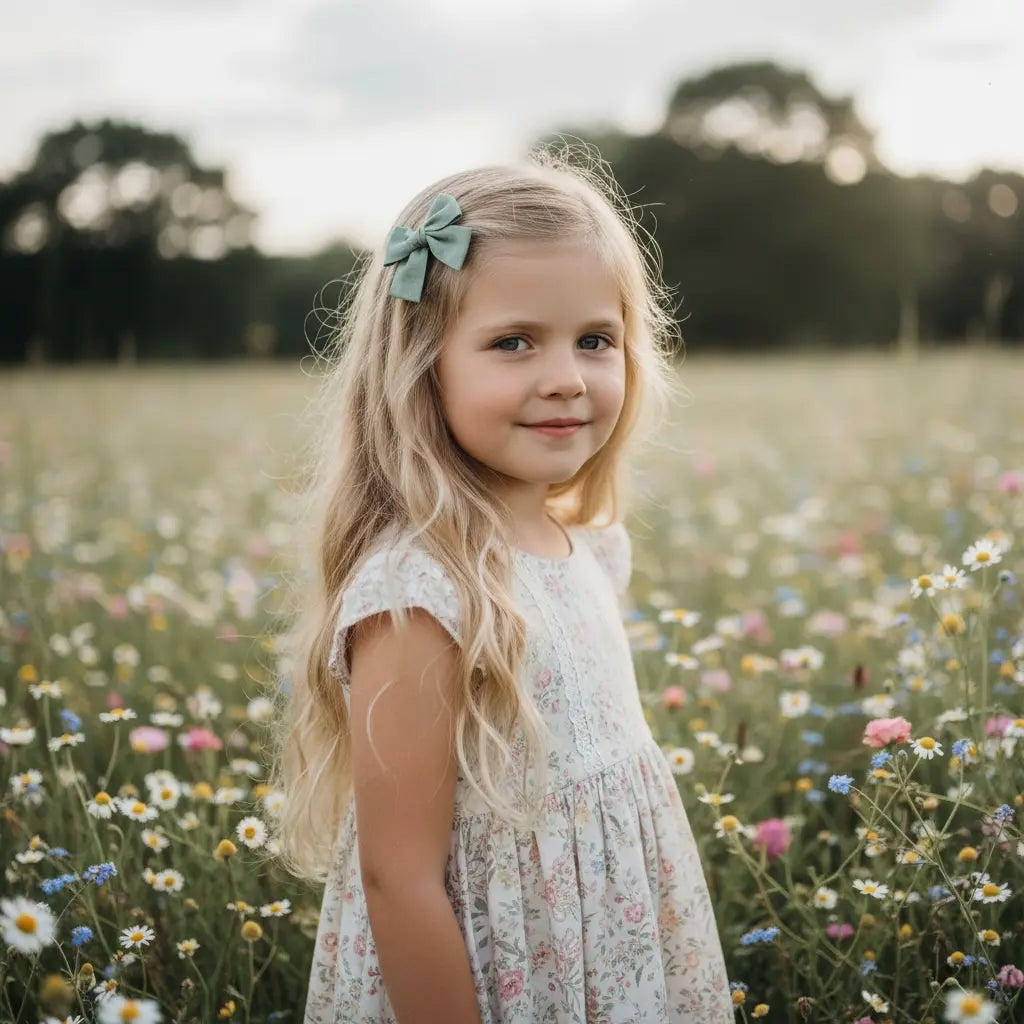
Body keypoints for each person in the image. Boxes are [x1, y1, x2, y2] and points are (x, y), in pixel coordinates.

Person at [270, 144, 732, 1023]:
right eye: (513, 342)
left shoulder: (588, 548)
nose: (565, 377)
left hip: (610, 956)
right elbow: (397, 877)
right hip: (492, 979)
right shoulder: (420, 592)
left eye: (596, 340)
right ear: (421, 365)